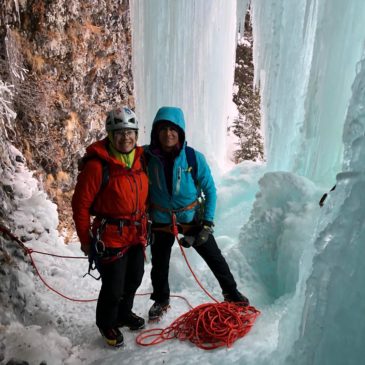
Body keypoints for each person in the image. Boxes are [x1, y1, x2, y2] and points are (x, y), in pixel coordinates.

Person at [145, 106, 249, 321]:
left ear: (181, 132)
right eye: (163, 129)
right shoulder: (145, 157)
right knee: (160, 262)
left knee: (214, 256)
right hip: (161, 218)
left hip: (190, 216)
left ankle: (231, 292)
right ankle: (161, 299)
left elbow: (210, 190)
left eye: (173, 129)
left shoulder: (193, 158)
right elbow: (119, 159)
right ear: (156, 132)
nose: (168, 134)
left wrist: (208, 222)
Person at [72, 107, 149, 347]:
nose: (126, 137)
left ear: (136, 135)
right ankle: (106, 323)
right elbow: (80, 205)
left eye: (130, 132)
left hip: (135, 233)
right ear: (110, 135)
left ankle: (123, 314)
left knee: (135, 277)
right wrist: (85, 239)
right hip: (111, 235)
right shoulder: (98, 166)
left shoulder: (140, 160)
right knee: (114, 286)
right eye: (120, 132)